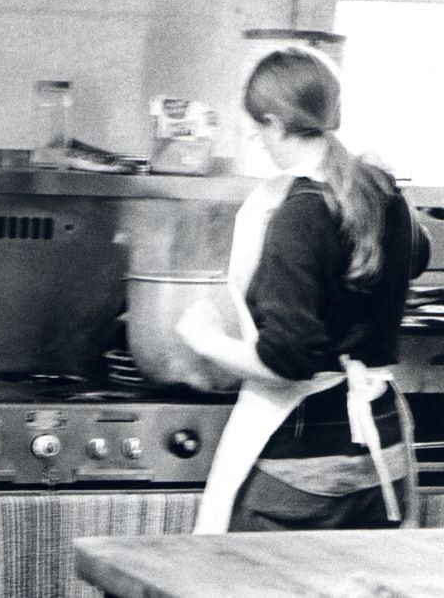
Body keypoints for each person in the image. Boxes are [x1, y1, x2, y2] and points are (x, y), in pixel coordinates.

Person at [176, 47, 430, 533]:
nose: (256, 137)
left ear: (274, 123)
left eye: (257, 126)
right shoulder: (381, 189)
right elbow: (416, 257)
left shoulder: (298, 213)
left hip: (305, 462)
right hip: (383, 451)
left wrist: (206, 340)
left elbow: (290, 360)